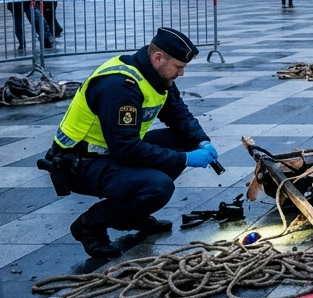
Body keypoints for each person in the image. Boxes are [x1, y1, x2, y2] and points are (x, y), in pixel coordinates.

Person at [44, 27, 219, 258]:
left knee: (184, 141)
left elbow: (177, 114)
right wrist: (185, 159)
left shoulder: (156, 76)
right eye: (179, 67)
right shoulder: (120, 85)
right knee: (158, 187)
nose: (181, 74)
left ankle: (133, 214)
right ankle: (90, 225)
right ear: (158, 58)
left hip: (112, 151)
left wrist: (201, 141)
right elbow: (126, 149)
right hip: (80, 162)